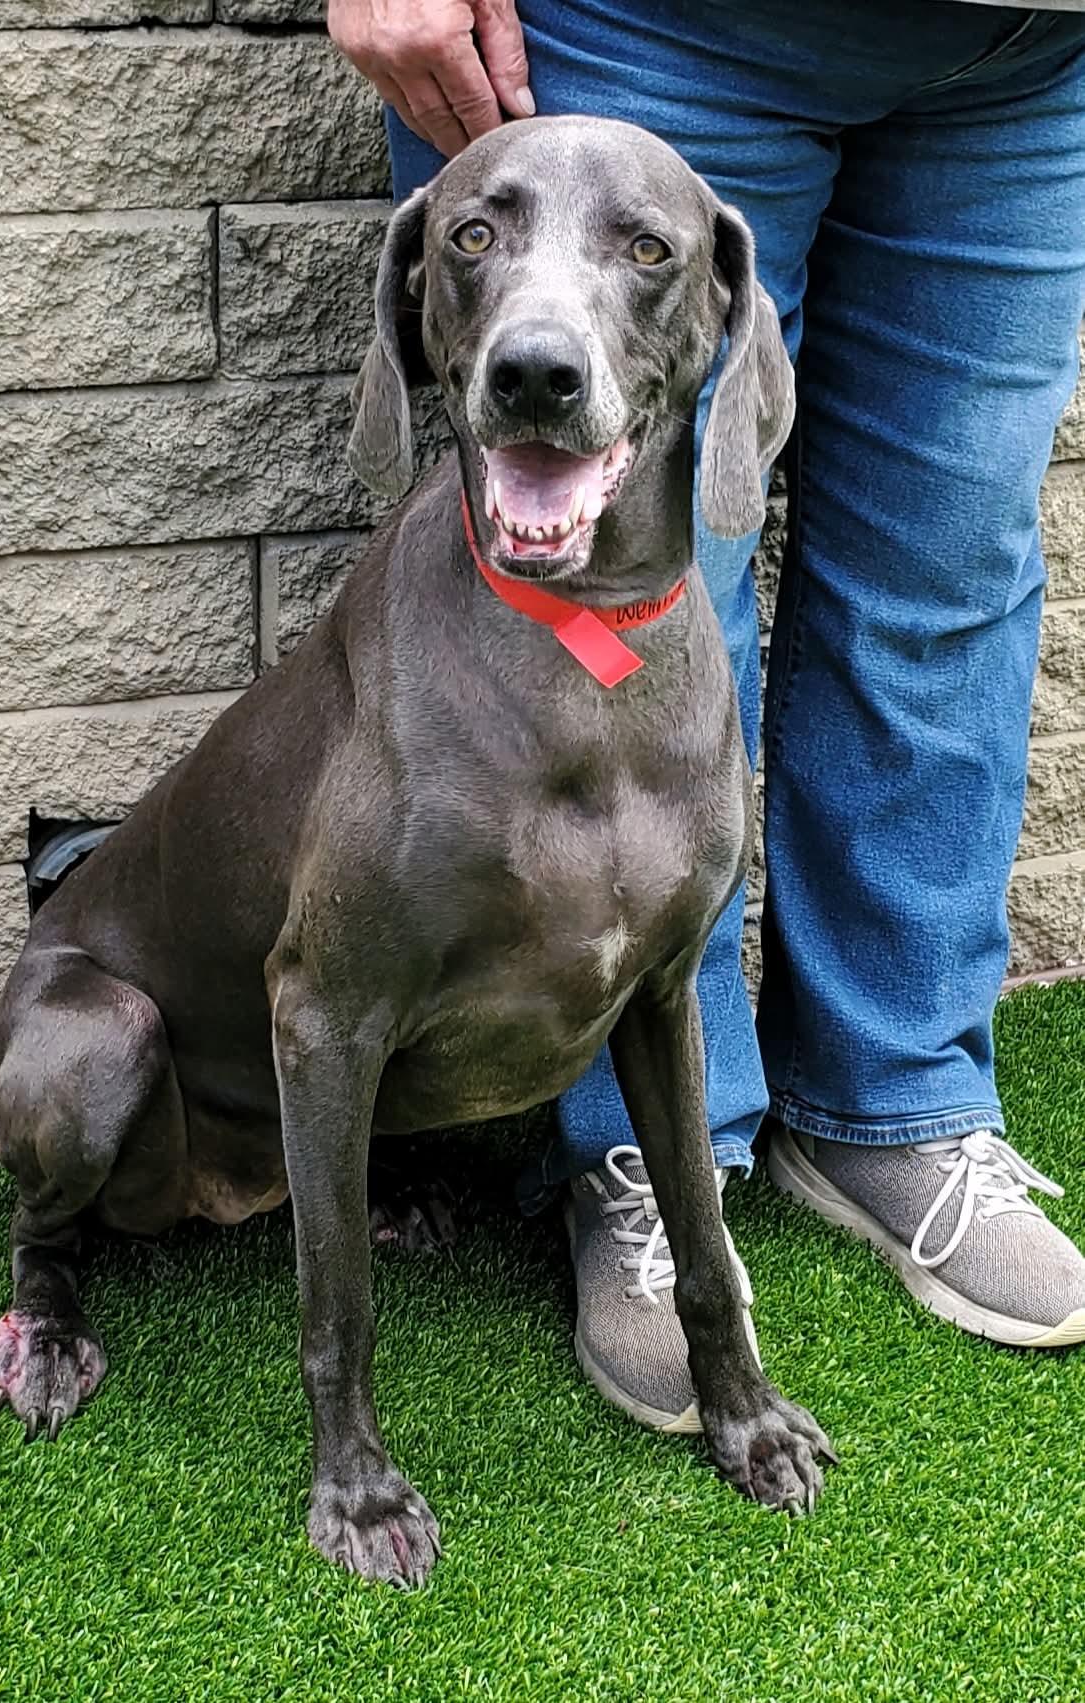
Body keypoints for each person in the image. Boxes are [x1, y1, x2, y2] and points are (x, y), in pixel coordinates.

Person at [328, 0, 1085, 1432]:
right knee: (629, 582)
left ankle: (896, 1102)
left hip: (1031, 55)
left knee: (949, 569)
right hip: (651, 25)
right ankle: (641, 1160)